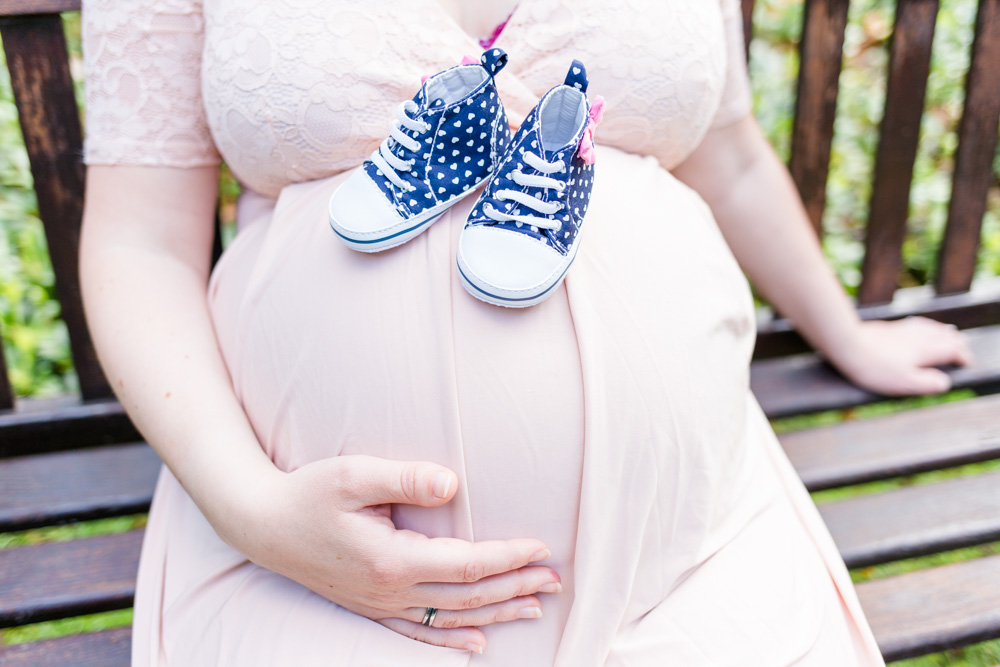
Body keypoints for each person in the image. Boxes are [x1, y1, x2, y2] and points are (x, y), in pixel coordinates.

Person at [79, 1, 972, 665]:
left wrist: (846, 332)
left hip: (690, 554)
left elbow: (727, 152)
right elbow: (139, 240)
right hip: (313, 579)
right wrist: (254, 514)